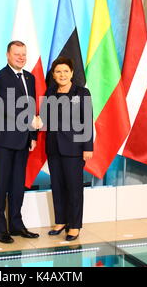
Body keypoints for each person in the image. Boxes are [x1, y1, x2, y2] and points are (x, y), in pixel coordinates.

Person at [0, 40, 40, 244]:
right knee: (1, 185)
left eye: (24, 54)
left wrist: (33, 136)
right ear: (8, 55)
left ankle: (16, 225)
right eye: (17, 54)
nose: (21, 57)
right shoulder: (1, 77)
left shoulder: (30, 77)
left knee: (18, 185)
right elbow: (8, 107)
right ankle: (1, 229)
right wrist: (30, 121)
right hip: (2, 140)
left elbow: (32, 106)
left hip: (23, 140)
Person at [42, 57, 93, 241]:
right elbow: (45, 120)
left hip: (74, 148)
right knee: (57, 186)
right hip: (54, 147)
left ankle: (74, 225)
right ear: (53, 75)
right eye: (58, 71)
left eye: (65, 71)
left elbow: (87, 121)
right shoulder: (49, 93)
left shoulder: (82, 93)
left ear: (71, 73)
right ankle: (61, 220)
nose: (62, 75)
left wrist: (88, 147)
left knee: (74, 188)